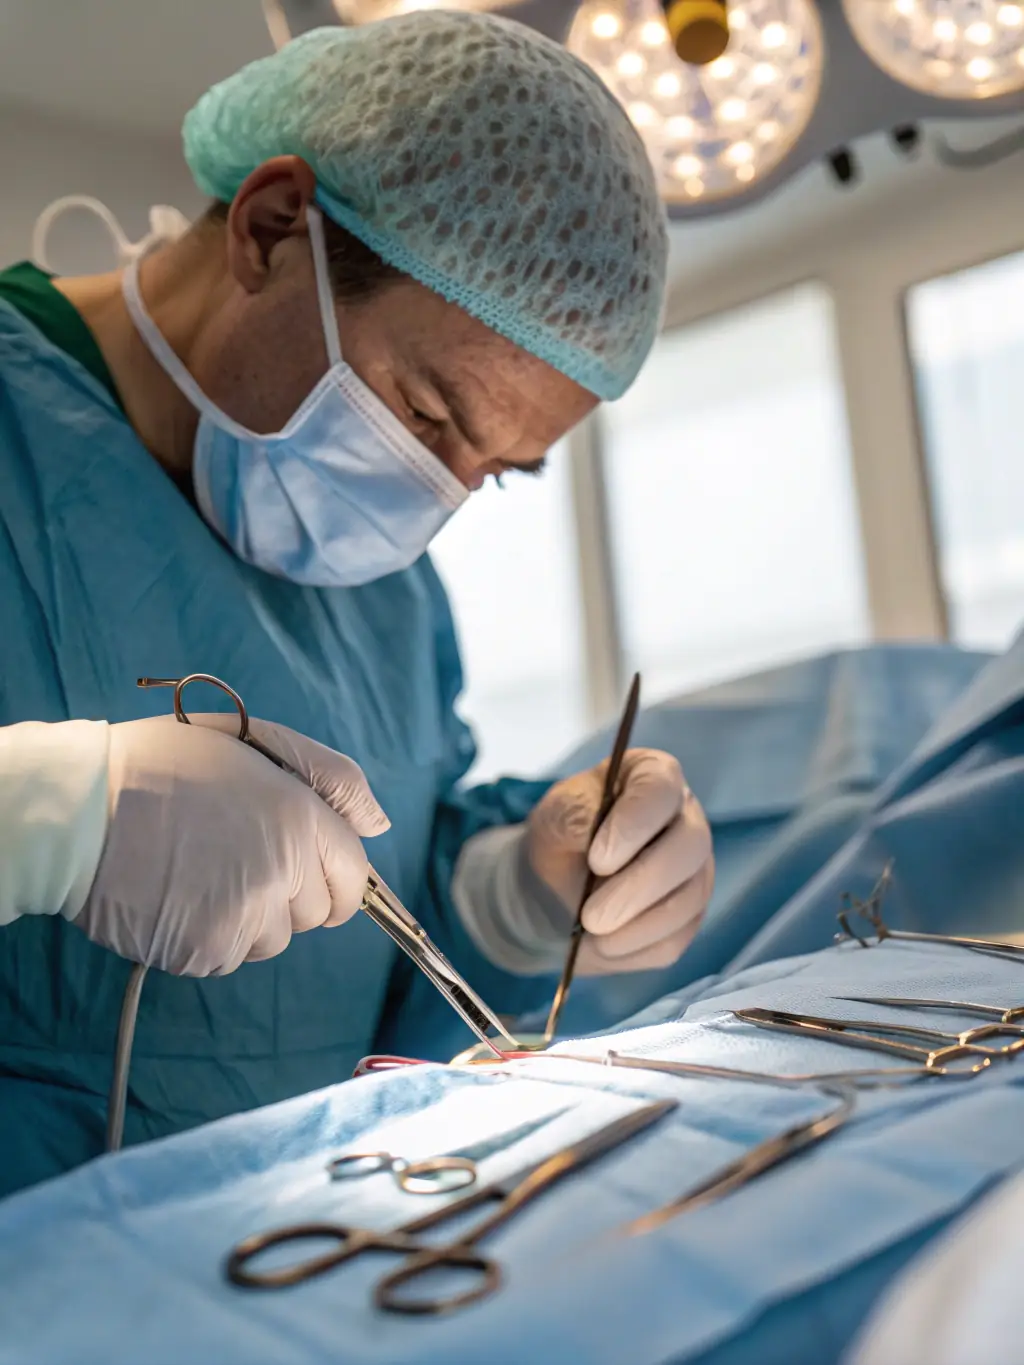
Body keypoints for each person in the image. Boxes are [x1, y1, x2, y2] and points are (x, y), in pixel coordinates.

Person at [0, 10, 715, 1196]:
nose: (436, 495)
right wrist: (44, 818)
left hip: (276, 1270)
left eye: (496, 468)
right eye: (428, 416)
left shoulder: (386, 589)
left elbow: (378, 908)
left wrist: (521, 889)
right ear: (273, 226)